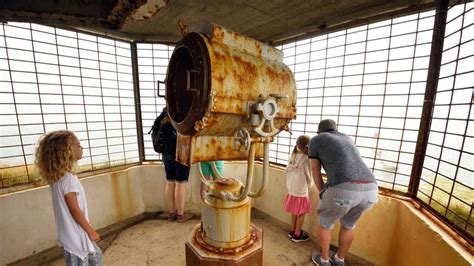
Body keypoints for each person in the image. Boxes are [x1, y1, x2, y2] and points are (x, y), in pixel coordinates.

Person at [308, 119, 378, 266]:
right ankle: (339, 259)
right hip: (371, 189)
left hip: (343, 188)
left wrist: (322, 193)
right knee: (349, 225)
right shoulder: (346, 138)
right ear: (336, 130)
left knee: (325, 224)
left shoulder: (316, 140)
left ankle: (324, 260)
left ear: (318, 132)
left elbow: (315, 172)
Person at [35, 130, 103, 265]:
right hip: (78, 239)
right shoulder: (68, 179)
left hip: (71, 237)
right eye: (78, 145)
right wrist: (91, 231)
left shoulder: (57, 178)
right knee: (95, 260)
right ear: (66, 151)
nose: (82, 147)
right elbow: (74, 209)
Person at [157, 107, 193, 222]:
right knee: (180, 184)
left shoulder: (162, 117)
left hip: (166, 154)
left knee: (170, 182)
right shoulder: (182, 118)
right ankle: (181, 215)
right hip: (180, 154)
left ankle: (171, 213)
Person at [284, 135, 313, 242]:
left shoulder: (293, 155)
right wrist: (310, 185)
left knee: (294, 211)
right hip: (301, 189)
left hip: (291, 188)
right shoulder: (307, 159)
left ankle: (292, 230)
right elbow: (308, 175)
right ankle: (297, 234)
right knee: (301, 212)